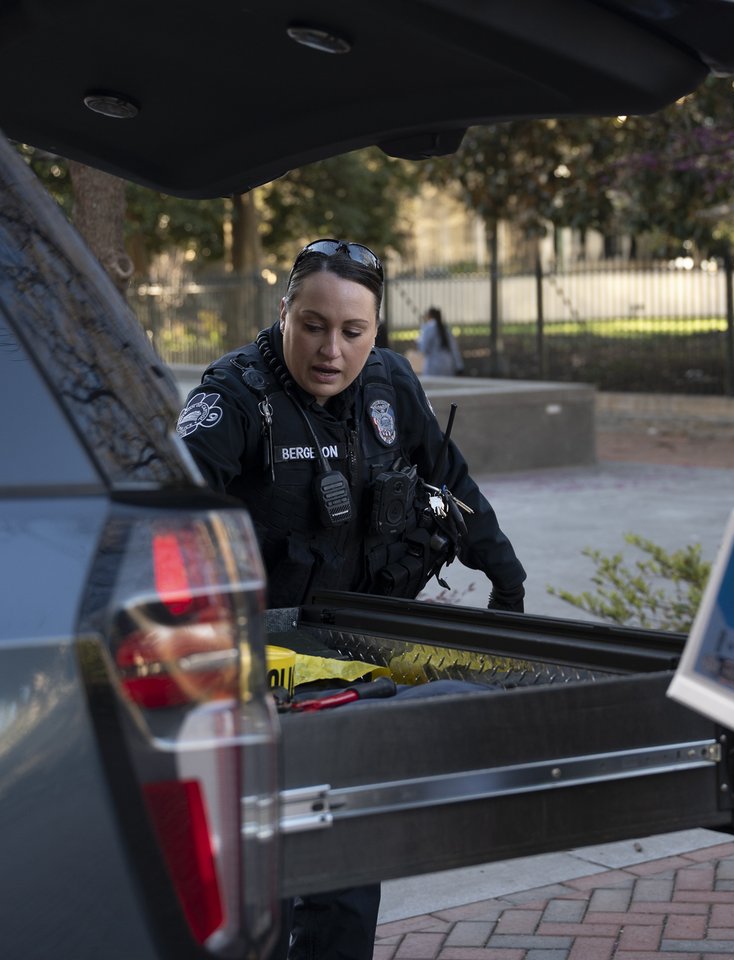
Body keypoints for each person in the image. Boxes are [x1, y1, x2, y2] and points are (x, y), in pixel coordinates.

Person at [176, 238, 527, 960]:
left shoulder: (389, 385)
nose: (330, 348)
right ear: (284, 314)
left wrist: (505, 577)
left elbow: (450, 480)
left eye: (351, 331)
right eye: (312, 325)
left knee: (344, 868)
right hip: (254, 678)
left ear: (375, 333)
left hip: (353, 665)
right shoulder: (233, 398)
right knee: (258, 877)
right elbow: (162, 510)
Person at [416, 305, 464, 376]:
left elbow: (423, 349)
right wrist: (459, 366)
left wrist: (418, 341)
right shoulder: (446, 329)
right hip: (447, 364)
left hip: (433, 366)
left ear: (429, 316)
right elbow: (454, 349)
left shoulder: (428, 328)